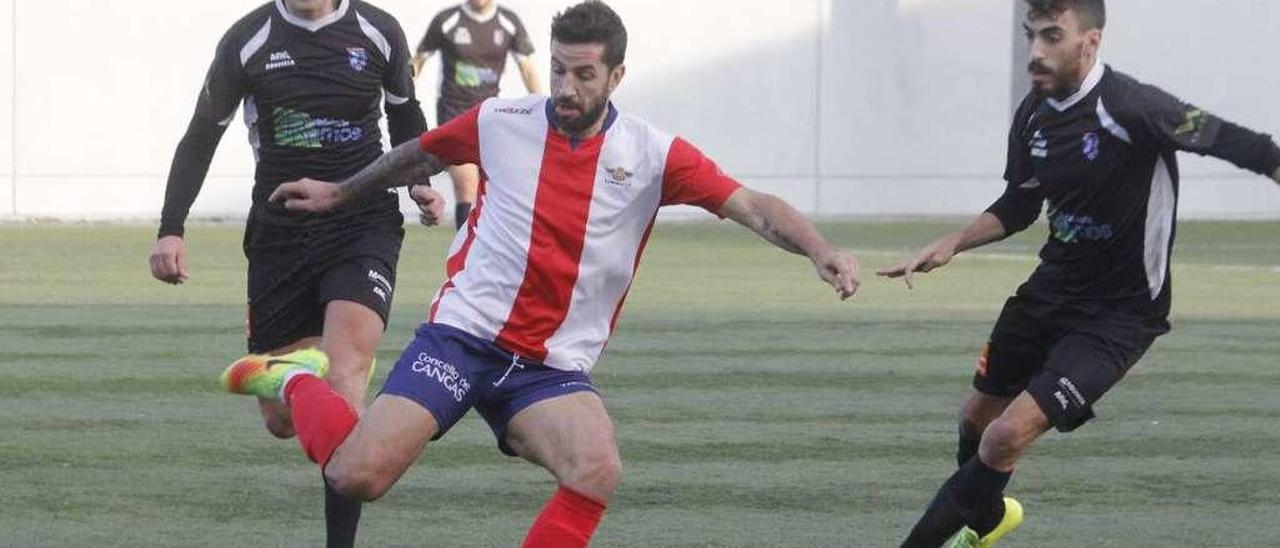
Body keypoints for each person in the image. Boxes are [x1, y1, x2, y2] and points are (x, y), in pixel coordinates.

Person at [219, 2, 861, 546]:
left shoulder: (652, 155)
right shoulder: (502, 121)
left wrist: (819, 248)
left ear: (616, 76)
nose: (565, 87)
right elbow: (418, 153)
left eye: (584, 75)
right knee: (356, 476)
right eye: (558, 69)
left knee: (596, 468)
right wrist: (340, 193)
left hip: (548, 367)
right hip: (462, 340)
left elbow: (754, 206)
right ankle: (299, 382)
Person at [877, 1, 1280, 546]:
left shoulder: (1133, 106)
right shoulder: (1033, 113)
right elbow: (1019, 206)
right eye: (1030, 36)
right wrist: (953, 243)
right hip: (1049, 291)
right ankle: (988, 520)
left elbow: (1244, 145)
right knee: (975, 420)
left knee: (1003, 437)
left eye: (1051, 36)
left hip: (1119, 316)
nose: (1035, 52)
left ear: (1090, 42)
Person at [147, 0, 444, 545]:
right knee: (282, 422)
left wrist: (417, 180)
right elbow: (201, 134)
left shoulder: (379, 31)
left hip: (363, 221)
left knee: (346, 374)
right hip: (281, 233)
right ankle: (290, 374)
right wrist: (171, 227)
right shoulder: (248, 39)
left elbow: (405, 114)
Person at [412, 0, 543, 229]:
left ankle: (482, 252)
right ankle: (465, 258)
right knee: (467, 186)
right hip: (454, 116)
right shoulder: (447, 20)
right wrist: (400, 90)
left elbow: (528, 70)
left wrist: (543, 109)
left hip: (491, 119)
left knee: (491, 191)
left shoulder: (508, 23)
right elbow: (418, 60)